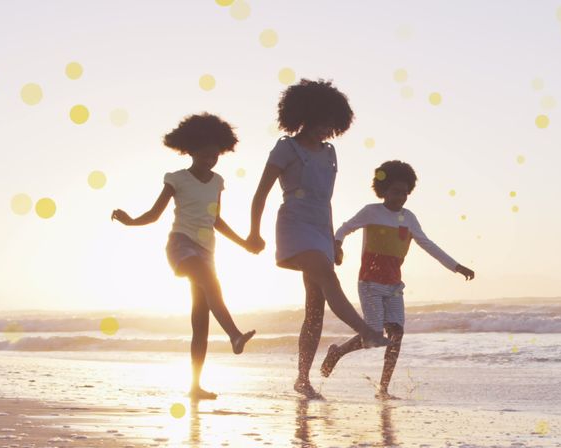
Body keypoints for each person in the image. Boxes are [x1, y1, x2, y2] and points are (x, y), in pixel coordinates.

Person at [245, 79, 389, 400]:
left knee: (315, 310)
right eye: (323, 122)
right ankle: (365, 330)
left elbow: (326, 201)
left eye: (332, 125)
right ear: (307, 116)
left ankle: (302, 379)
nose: (327, 130)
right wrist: (254, 232)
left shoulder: (329, 153)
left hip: (320, 230)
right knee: (327, 276)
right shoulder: (286, 147)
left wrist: (334, 241)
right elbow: (261, 193)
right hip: (295, 226)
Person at [112, 113, 256, 400]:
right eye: (204, 151)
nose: (210, 157)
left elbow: (216, 220)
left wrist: (243, 243)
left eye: (215, 152)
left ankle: (194, 386)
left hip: (207, 251)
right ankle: (234, 335)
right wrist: (130, 221)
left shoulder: (218, 182)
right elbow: (154, 215)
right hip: (181, 245)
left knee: (200, 320)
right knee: (210, 283)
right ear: (190, 150)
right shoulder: (176, 179)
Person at [320, 160, 475, 399]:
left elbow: (428, 245)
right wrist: (337, 245)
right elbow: (344, 228)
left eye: (404, 193)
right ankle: (337, 352)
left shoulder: (409, 218)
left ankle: (383, 389)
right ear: (383, 190)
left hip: (394, 285)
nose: (400, 197)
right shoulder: (371, 212)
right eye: (395, 192)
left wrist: (456, 266)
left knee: (396, 333)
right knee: (372, 333)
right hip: (370, 283)